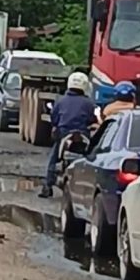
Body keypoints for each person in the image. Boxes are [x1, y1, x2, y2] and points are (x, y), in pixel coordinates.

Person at [39, 70, 96, 198]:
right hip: (83, 135)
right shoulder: (89, 103)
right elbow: (92, 119)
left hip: (63, 134)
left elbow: (54, 118)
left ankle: (47, 186)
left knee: (53, 159)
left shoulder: (60, 100)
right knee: (90, 157)